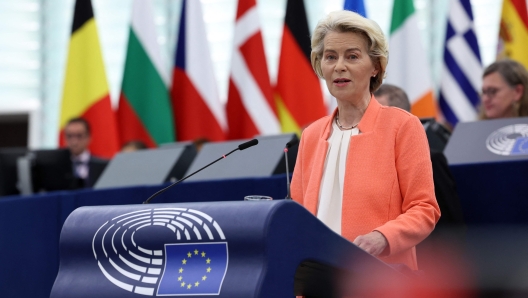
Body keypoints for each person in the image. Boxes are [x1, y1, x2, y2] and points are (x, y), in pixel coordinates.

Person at [290, 10, 440, 270]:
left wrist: (382, 237)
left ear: (375, 67)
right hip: (316, 279)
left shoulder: (402, 126)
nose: (339, 66)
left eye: (352, 56)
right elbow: (299, 215)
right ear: (320, 67)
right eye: (330, 57)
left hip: (380, 279)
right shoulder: (311, 135)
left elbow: (424, 208)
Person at [64, 117, 108, 188]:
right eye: (69, 136)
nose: (74, 142)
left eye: (79, 136)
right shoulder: (58, 168)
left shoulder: (104, 167)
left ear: (89, 137)